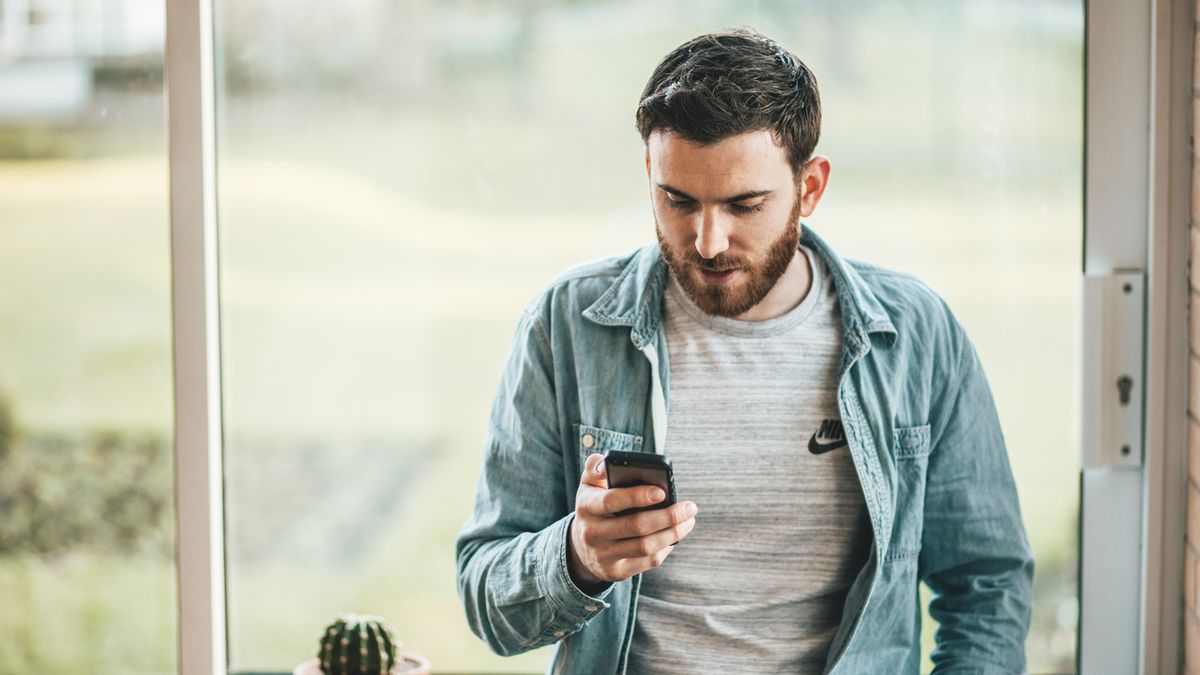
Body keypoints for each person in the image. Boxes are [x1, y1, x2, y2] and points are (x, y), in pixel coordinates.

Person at [455, 28, 1034, 675]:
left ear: (809, 188)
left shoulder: (917, 334)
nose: (707, 241)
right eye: (678, 200)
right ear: (650, 174)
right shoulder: (567, 324)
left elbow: (986, 584)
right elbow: (487, 597)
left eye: (744, 204)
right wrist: (577, 556)